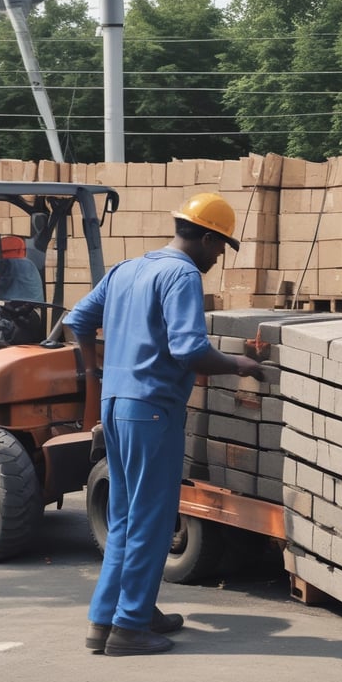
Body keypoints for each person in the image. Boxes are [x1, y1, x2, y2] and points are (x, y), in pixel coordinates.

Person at [64, 192, 264, 657]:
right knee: (151, 522)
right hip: (152, 410)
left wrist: (96, 373)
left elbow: (77, 320)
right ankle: (130, 628)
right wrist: (241, 363)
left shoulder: (126, 269)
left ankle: (108, 619)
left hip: (117, 406)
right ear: (208, 236)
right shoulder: (182, 274)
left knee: (126, 518)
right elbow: (190, 351)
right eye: (220, 247)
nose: (217, 257)